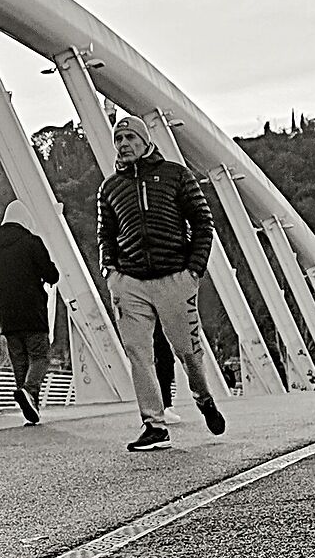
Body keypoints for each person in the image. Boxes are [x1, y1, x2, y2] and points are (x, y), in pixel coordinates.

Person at [96, 114, 229, 451]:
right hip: (130, 283)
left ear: (145, 141)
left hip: (174, 278)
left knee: (187, 351)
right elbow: (105, 234)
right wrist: (110, 272)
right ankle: (154, 426)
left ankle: (203, 399)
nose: (123, 145)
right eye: (119, 140)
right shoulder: (110, 188)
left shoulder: (175, 176)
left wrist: (193, 271)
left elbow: (203, 222)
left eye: (130, 139)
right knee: (139, 354)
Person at [0, 203, 58, 422]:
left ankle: (30, 408)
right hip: (32, 310)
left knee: (19, 360)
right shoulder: (31, 242)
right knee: (40, 356)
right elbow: (52, 275)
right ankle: (29, 391)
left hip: (7, 314)